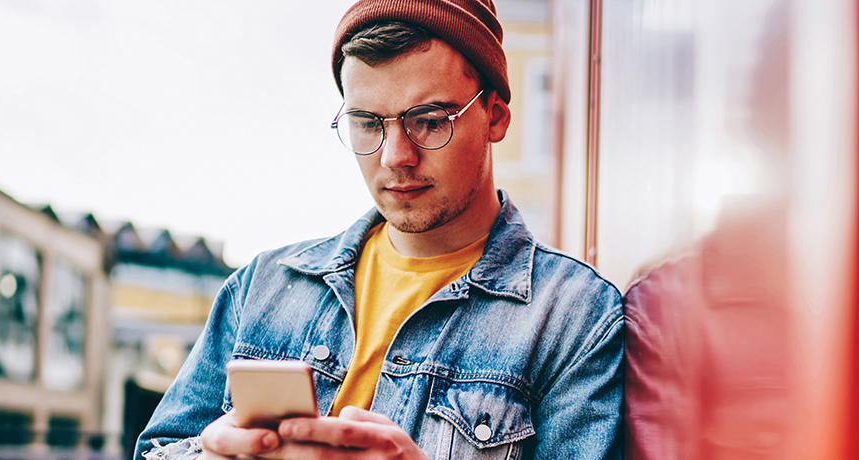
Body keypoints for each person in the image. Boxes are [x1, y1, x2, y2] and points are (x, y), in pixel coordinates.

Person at [136, 0, 624, 458]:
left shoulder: (575, 318)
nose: (395, 158)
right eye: (367, 123)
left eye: (430, 121)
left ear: (494, 117)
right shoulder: (262, 286)